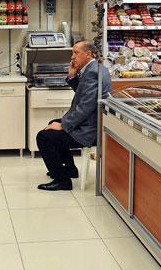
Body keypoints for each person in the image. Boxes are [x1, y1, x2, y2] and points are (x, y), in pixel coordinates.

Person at [36, 40, 111, 191]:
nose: (72, 56)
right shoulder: (93, 68)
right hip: (90, 122)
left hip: (89, 130)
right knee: (52, 124)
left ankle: (62, 180)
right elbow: (84, 94)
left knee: (43, 137)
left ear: (88, 54)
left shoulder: (93, 72)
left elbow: (85, 106)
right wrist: (72, 76)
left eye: (76, 53)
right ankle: (69, 170)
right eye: (72, 52)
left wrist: (64, 124)